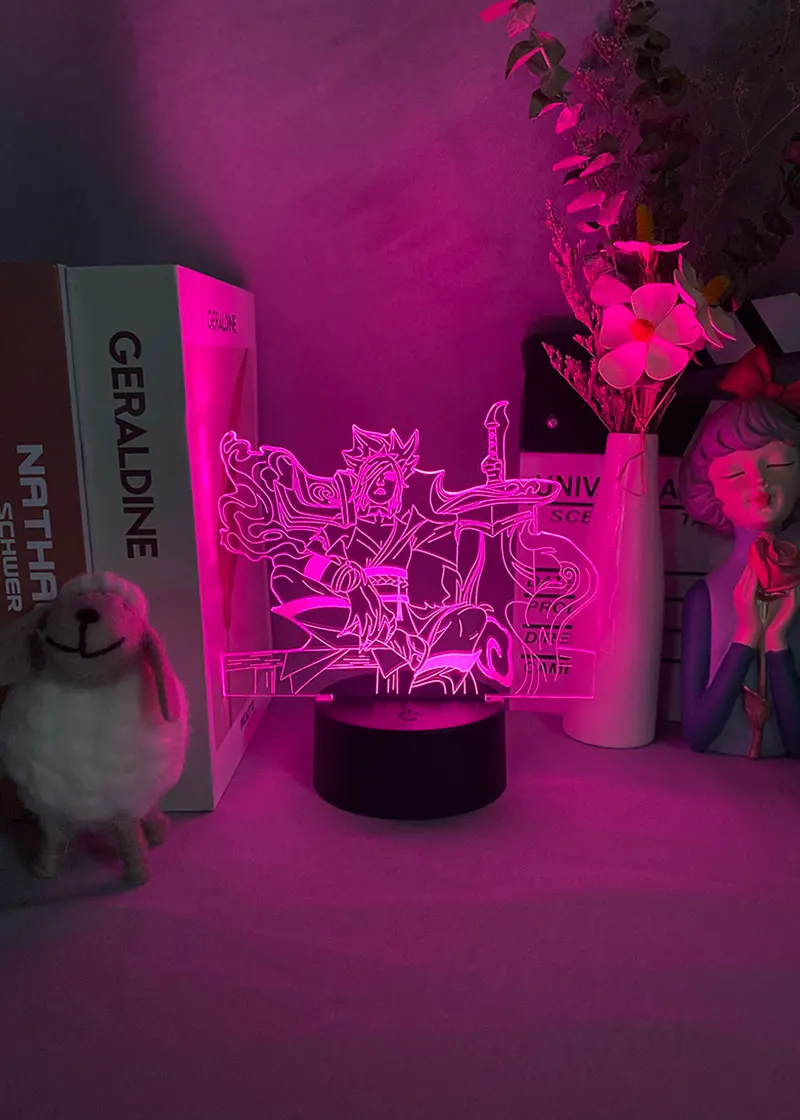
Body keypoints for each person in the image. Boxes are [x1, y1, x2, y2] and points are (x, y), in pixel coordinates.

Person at [679, 355, 800, 757]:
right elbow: (696, 732)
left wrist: (777, 641)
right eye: (735, 473)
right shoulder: (706, 598)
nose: (759, 481)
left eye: (779, 464)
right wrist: (746, 635)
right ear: (709, 491)